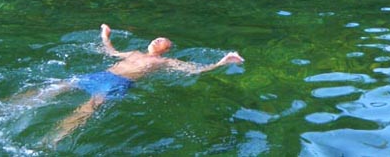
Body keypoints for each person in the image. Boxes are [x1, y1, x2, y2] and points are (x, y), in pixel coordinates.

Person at [30, 24, 244, 145]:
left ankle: (55, 137)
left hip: (118, 83)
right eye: (155, 38)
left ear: (166, 49)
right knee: (58, 85)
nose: (156, 40)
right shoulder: (133, 52)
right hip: (103, 74)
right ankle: (8, 105)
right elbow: (110, 52)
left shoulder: (165, 62)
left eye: (161, 41)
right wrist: (105, 36)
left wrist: (222, 62)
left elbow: (195, 69)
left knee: (88, 108)